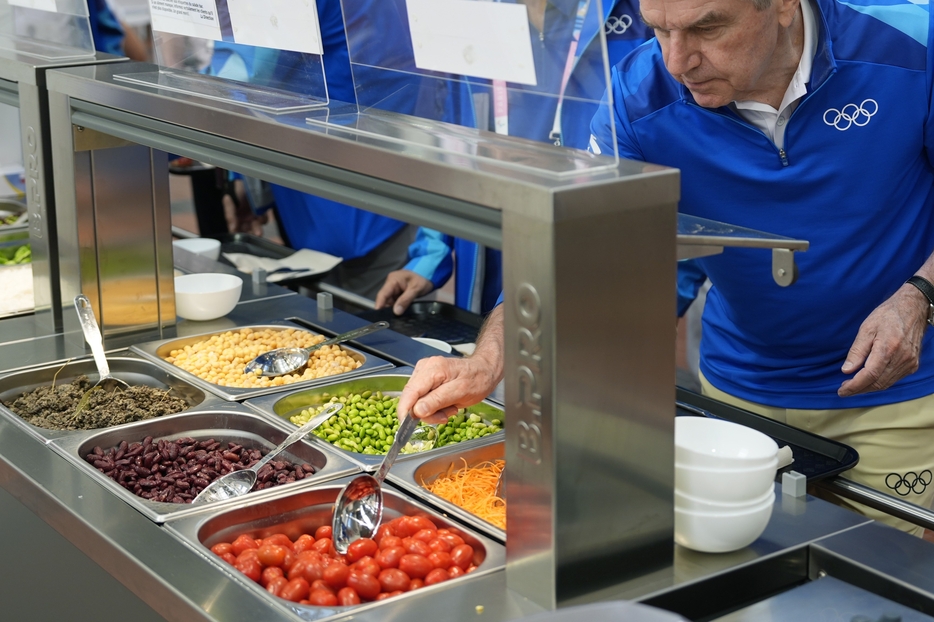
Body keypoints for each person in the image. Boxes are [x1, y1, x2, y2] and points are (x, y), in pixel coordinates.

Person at [412, 0, 934, 535]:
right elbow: (572, 241)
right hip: (740, 391)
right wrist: (488, 360)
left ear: (780, 6)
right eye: (658, 30)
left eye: (707, 27)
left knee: (883, 587)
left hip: (894, 397)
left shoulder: (911, 44)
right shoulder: (638, 94)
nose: (677, 61)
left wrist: (919, 295)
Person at [375, 0, 653, 316]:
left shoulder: (636, 12)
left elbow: (688, 158)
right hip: (491, 248)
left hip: (594, 258)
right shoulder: (470, 12)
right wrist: (429, 255)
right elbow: (452, 140)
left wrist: (671, 296)